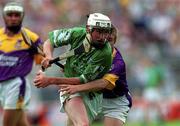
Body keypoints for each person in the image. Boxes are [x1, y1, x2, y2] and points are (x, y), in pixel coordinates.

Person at [34, 13, 113, 126]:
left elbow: (82, 80)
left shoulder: (105, 53)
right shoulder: (77, 33)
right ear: (88, 29)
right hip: (70, 88)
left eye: (106, 32)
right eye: (99, 31)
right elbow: (50, 41)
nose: (102, 36)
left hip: (90, 92)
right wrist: (48, 56)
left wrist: (50, 80)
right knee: (82, 124)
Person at [60, 25, 132, 126]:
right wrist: (69, 67)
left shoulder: (118, 63)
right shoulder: (90, 53)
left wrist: (77, 88)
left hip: (114, 101)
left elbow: (102, 83)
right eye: (104, 38)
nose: (105, 42)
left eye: (110, 40)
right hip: (92, 96)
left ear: (115, 41)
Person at [0, 2, 43, 126]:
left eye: (17, 15)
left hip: (16, 85)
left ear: (22, 16)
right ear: (4, 16)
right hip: (1, 85)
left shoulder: (31, 38)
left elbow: (42, 62)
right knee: (20, 123)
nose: (13, 18)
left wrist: (44, 56)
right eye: (10, 15)